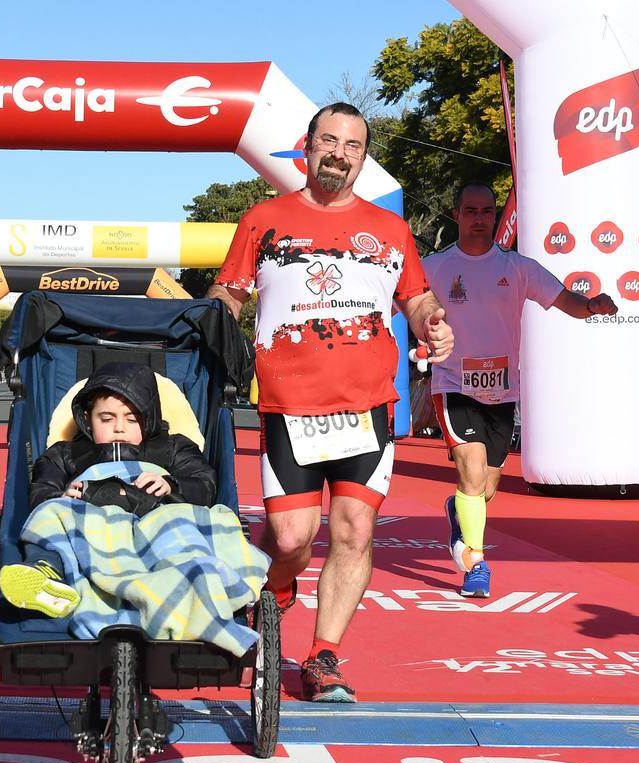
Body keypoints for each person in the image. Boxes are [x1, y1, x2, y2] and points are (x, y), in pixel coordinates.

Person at [207, 101, 454, 703]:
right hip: (289, 407)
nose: (339, 154)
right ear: (308, 146)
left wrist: (433, 323)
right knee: (291, 538)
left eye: (352, 146)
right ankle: (279, 586)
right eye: (329, 142)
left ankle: (324, 656)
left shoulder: (390, 231)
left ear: (363, 158)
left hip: (366, 406)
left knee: (353, 531)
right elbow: (227, 295)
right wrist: (205, 328)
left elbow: (415, 298)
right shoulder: (263, 221)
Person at [423, 182, 618, 600]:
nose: (480, 219)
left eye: (487, 211)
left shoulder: (518, 268)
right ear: (456, 215)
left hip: (502, 392)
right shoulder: (434, 267)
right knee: (473, 475)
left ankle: (459, 514)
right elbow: (401, 303)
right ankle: (475, 565)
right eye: (471, 211)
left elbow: (567, 300)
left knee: (486, 488)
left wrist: (592, 305)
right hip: (454, 385)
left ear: (495, 216)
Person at [0, 363, 264, 654]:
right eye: (106, 418)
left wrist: (172, 484)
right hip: (90, 522)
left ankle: (191, 579)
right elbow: (40, 490)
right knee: (50, 514)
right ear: (87, 421)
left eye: (131, 419)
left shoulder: (173, 448)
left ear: (149, 420)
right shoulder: (65, 453)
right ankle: (46, 576)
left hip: (156, 517)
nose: (119, 428)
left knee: (181, 527)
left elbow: (205, 483)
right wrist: (61, 495)